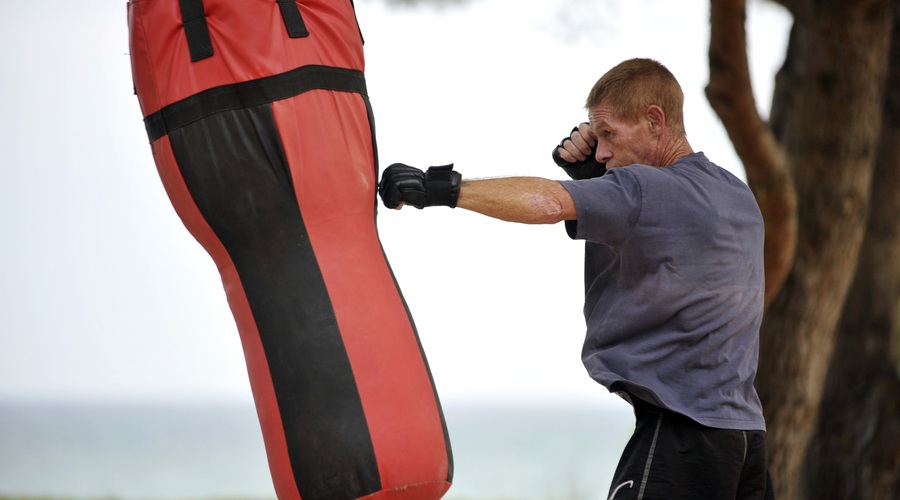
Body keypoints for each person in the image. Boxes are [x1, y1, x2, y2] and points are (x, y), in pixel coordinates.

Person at [378, 58, 773, 499]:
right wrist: (599, 184)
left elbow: (547, 202)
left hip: (680, 437)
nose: (601, 151)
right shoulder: (735, 194)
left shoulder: (641, 189)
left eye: (609, 134)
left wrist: (442, 190)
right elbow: (662, 257)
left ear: (654, 120)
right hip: (744, 441)